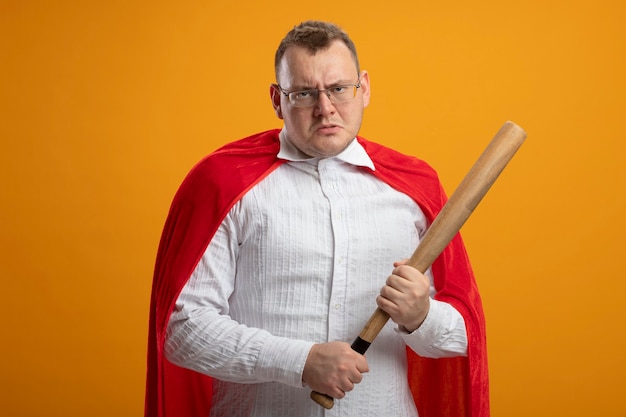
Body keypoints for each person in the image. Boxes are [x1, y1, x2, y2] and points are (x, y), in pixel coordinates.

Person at [145, 20, 489, 417]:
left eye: (339, 89)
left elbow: (464, 336)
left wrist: (421, 317)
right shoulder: (223, 185)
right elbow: (181, 328)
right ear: (277, 99)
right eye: (305, 93)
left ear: (364, 88)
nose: (325, 108)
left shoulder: (414, 188)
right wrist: (300, 362)